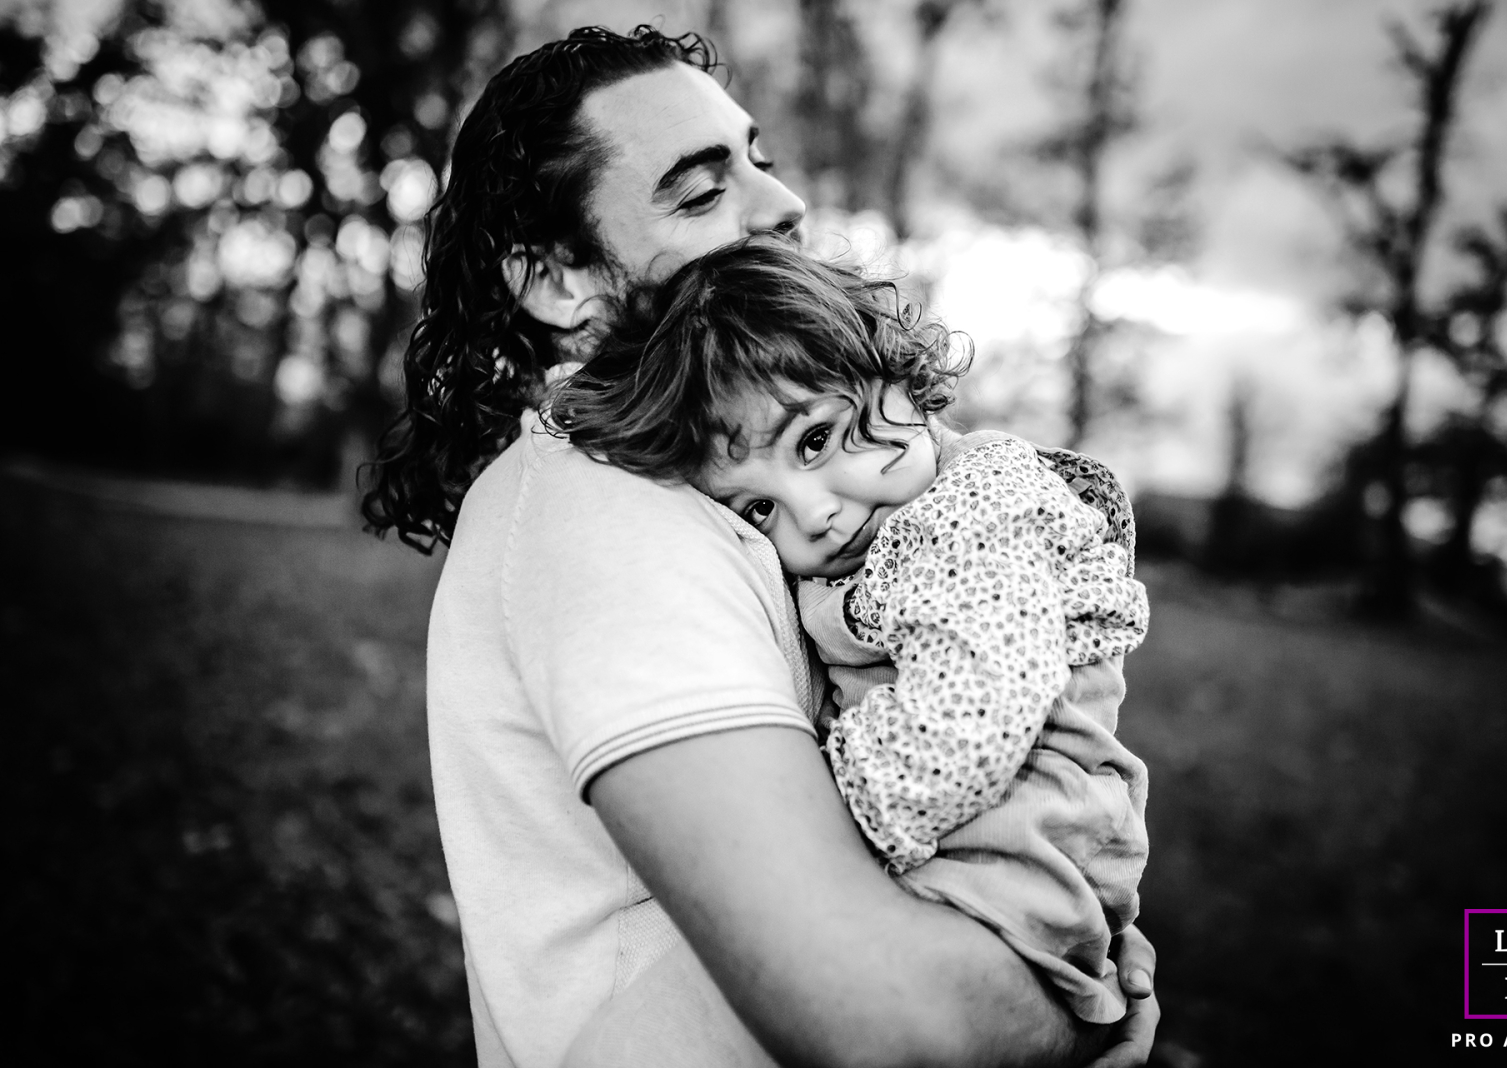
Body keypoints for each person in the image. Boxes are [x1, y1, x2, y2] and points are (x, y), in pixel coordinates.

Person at [363, 25, 1159, 1068]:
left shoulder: (707, 464)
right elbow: (880, 1020)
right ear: (558, 280)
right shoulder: (607, 510)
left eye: (759, 162)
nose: (780, 206)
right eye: (698, 193)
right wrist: (1058, 1018)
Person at [551, 237, 1151, 1028]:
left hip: (1011, 864)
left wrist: (812, 821)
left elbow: (975, 711)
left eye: (816, 439)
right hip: (956, 854)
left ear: (901, 376)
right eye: (757, 507)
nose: (814, 514)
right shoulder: (878, 518)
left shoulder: (977, 509)